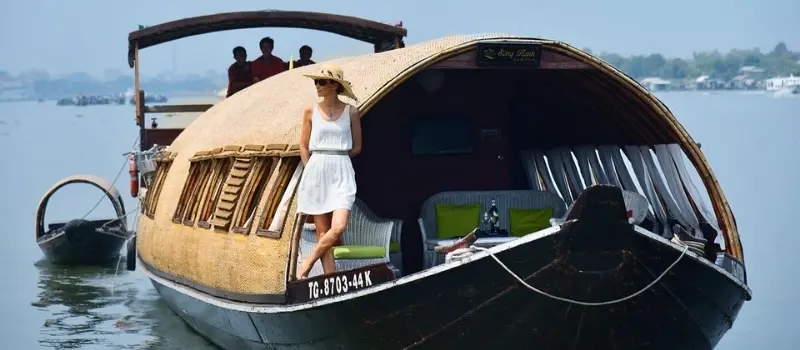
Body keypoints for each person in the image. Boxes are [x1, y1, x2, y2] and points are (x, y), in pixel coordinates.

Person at [295, 64, 362, 280]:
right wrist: (311, 169)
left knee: (339, 227)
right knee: (322, 232)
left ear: (334, 85)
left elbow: (358, 146)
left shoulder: (352, 111)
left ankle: (307, 263)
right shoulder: (310, 111)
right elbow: (303, 146)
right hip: (316, 168)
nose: (317, 86)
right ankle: (329, 279)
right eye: (316, 82)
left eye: (322, 82)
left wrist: (338, 159)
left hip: (341, 166)